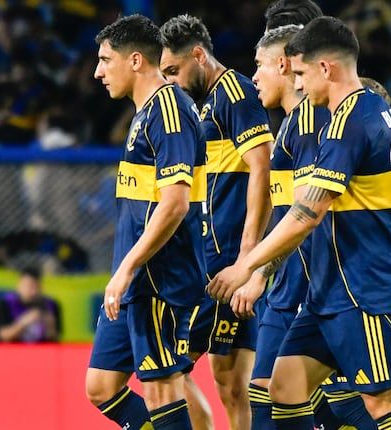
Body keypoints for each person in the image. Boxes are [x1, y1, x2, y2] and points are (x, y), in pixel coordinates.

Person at [208, 17, 391, 430]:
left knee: (385, 403)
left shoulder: (349, 123)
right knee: (285, 388)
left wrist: (246, 266)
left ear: (326, 68)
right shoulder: (374, 110)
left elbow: (307, 213)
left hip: (363, 291)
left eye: (302, 74)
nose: (300, 85)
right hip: (332, 289)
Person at [85, 14, 207, 430]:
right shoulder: (144, 113)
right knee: (101, 386)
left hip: (160, 276)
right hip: (136, 278)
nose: (97, 71)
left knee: (162, 389)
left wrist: (127, 267)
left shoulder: (170, 111)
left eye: (105, 60)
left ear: (135, 60)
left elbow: (174, 205)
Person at [159, 14, 273, 430]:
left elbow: (262, 168)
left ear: (198, 55)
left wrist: (248, 259)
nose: (170, 82)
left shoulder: (235, 93)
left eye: (173, 71)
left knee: (167, 367)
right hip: (208, 260)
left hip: (224, 266)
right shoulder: (202, 103)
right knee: (229, 382)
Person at [0, 266, 61, 343]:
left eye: (37, 286)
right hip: (12, 349)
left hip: (40, 349)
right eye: (29, 286)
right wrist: (24, 323)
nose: (33, 292)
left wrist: (50, 327)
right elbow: (2, 336)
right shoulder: (5, 302)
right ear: (19, 285)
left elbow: (54, 339)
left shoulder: (51, 305)